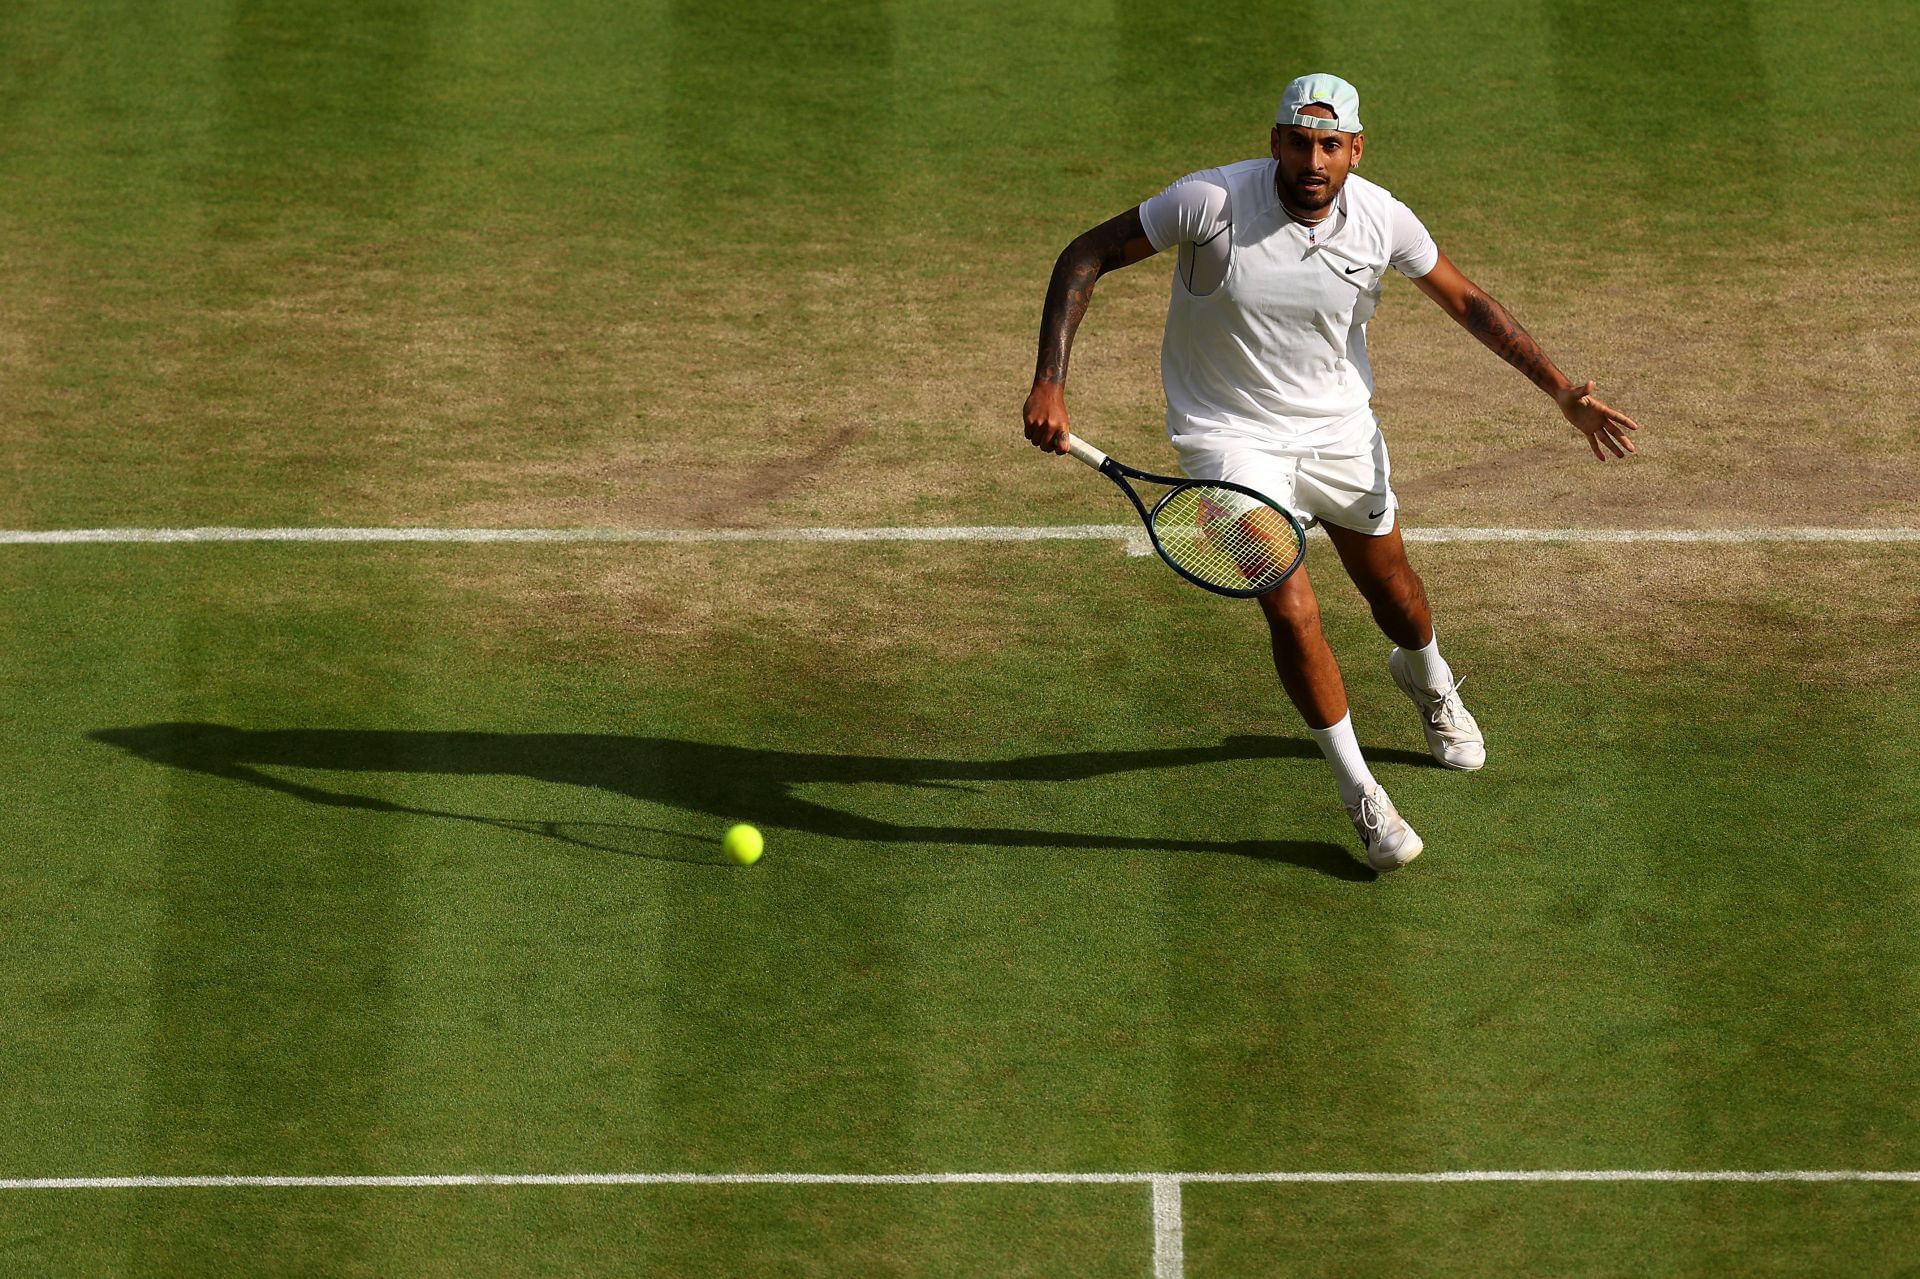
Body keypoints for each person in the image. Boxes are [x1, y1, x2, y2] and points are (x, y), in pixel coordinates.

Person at [1021, 73, 1641, 872]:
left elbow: (1468, 302)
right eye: (1298, 141)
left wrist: (1562, 392)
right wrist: (1050, 378)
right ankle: (1362, 795)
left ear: (1354, 149)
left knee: (1397, 595)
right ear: (1275, 141)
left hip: (1340, 432)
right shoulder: (1209, 203)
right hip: (1229, 438)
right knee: (1288, 600)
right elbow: (1088, 253)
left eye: (1330, 145)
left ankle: (1428, 679)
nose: (1313, 159)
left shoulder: (1382, 219)